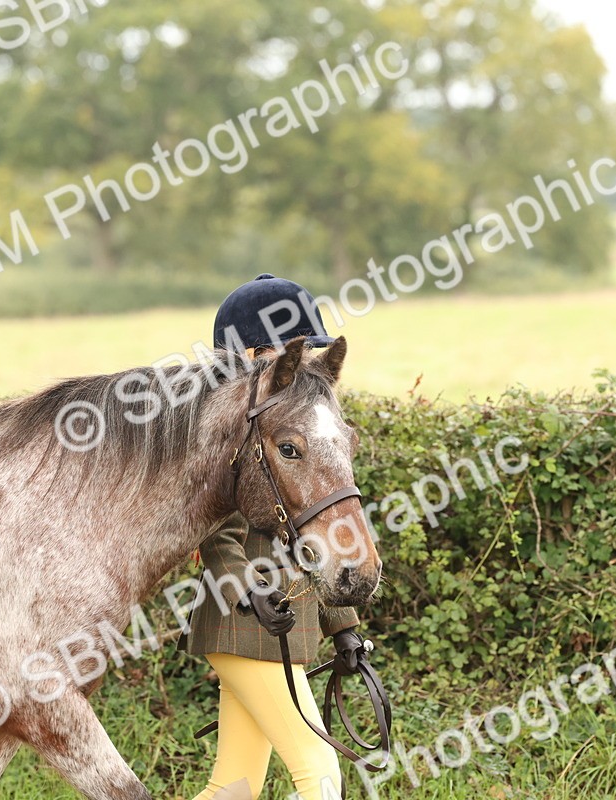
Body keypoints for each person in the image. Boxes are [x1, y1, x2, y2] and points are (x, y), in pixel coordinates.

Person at [178, 273, 372, 800]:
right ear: (257, 351)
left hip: (281, 625)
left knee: (234, 789)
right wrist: (245, 588)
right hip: (246, 622)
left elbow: (314, 541)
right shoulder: (229, 435)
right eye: (299, 348)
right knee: (319, 773)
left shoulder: (292, 425)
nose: (307, 360)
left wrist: (342, 625)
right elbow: (212, 533)